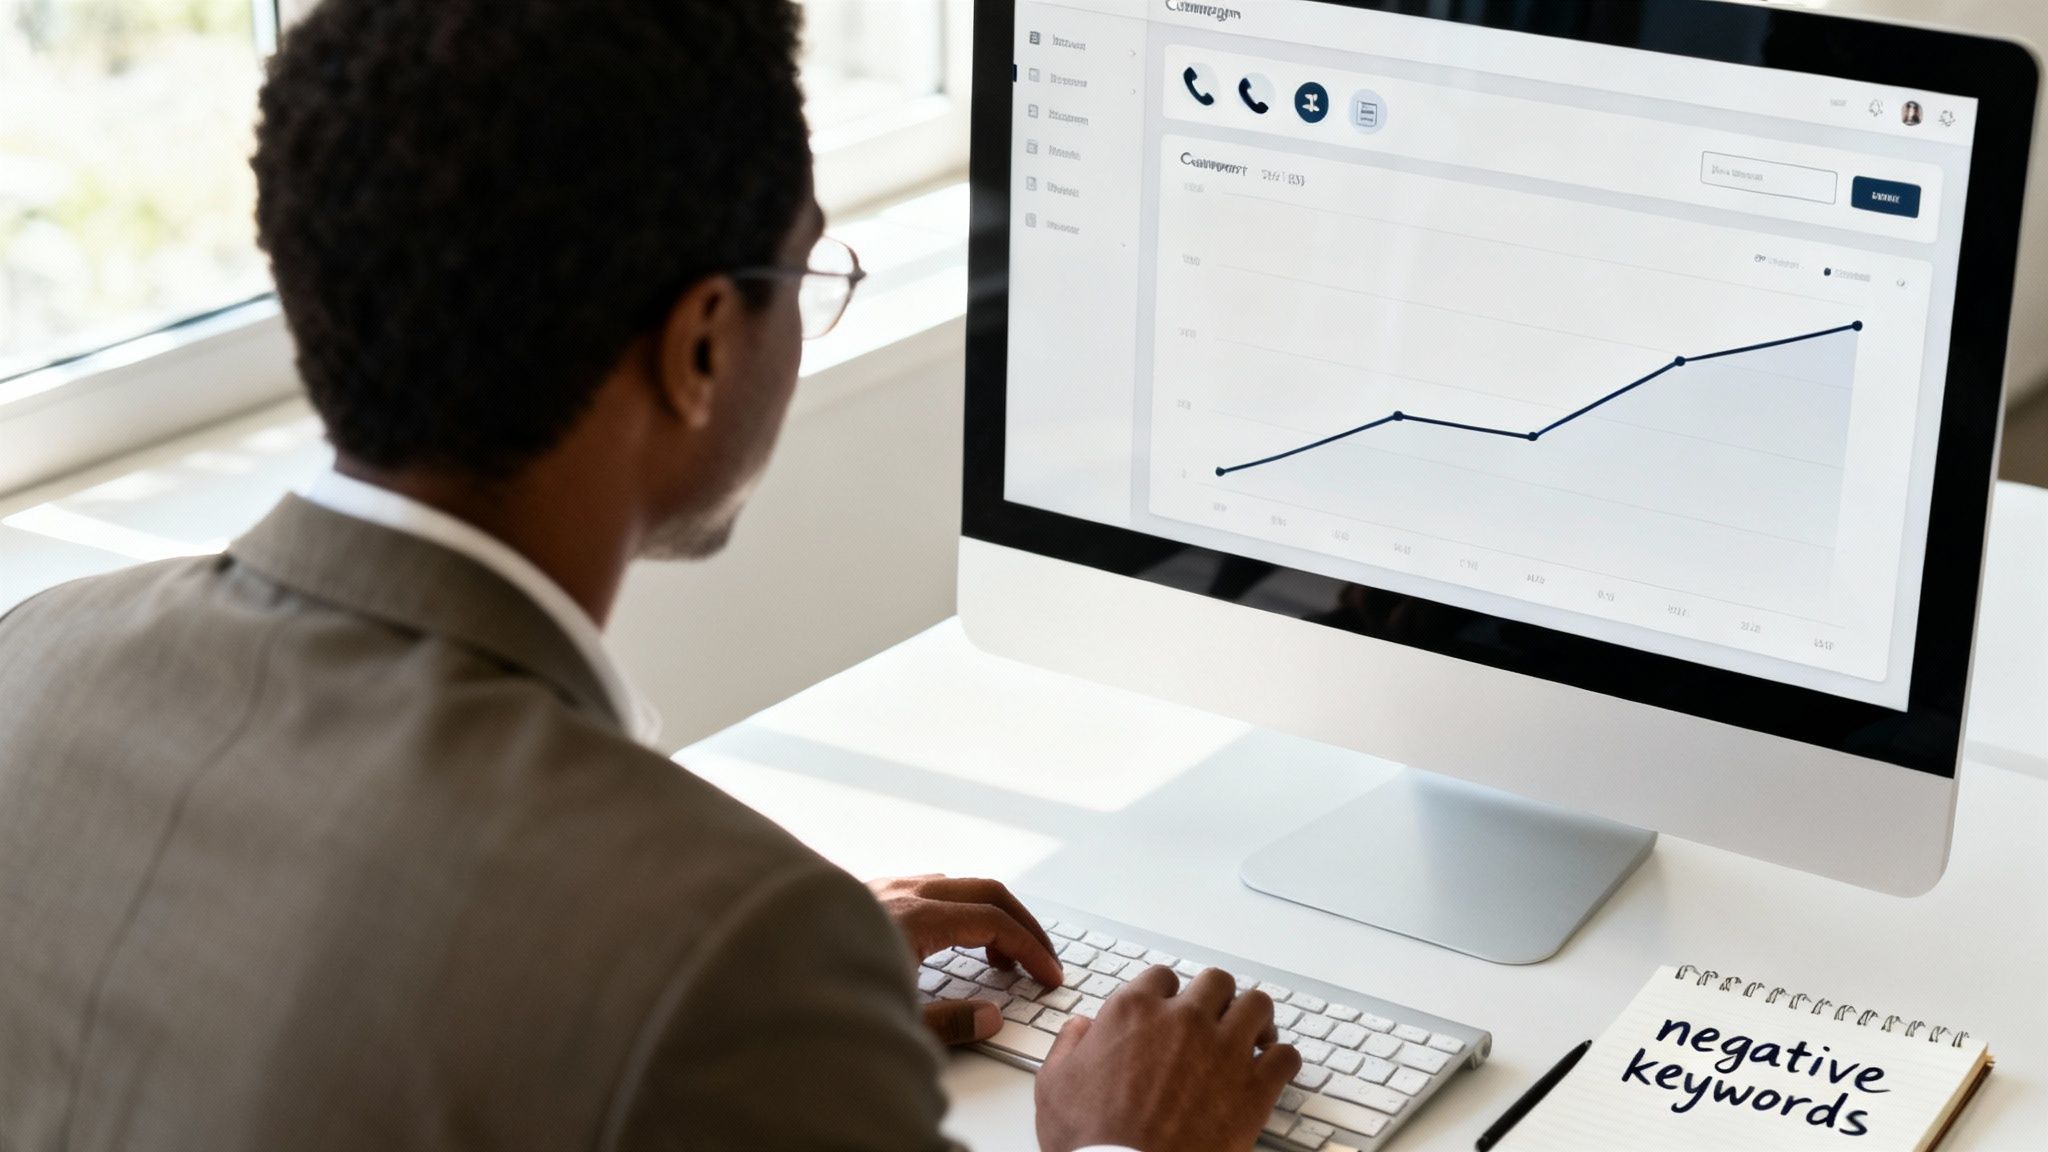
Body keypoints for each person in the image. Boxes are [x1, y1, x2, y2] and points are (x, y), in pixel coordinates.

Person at [0, 2, 1299, 1150]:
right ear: (699, 345)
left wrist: (766, 982)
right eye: (804, 273)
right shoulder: (728, 956)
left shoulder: (35, 657)